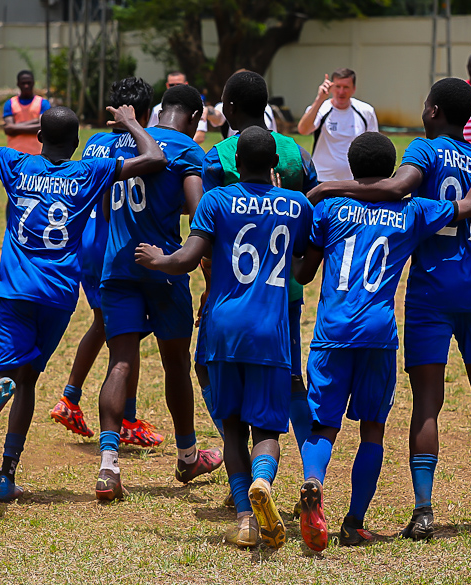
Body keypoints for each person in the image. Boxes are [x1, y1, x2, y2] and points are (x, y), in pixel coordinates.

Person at [308, 77, 471, 540]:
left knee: (428, 400)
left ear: (433, 111)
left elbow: (396, 189)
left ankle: (424, 509)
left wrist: (327, 189)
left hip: (430, 292)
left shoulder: (424, 151)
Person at [0, 87, 166, 503]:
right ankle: (6, 475)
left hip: (17, 290)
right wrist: (131, 122)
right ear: (76, 144)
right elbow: (154, 159)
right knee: (29, 381)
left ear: (38, 135)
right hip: (58, 297)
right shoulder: (88, 172)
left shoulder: (16, 163)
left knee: (4, 373)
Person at [292, 132, 471, 552]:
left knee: (323, 425)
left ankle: (313, 482)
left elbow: (303, 273)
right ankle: (354, 522)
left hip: (332, 332)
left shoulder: (329, 207)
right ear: (392, 172)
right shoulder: (413, 211)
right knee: (372, 430)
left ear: (351, 169)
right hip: (379, 335)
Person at [136, 126, 313, 549]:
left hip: (222, 329)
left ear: (235, 164)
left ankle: (245, 518)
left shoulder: (215, 200)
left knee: (232, 427)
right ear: (275, 166)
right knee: (267, 426)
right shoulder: (297, 204)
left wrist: (158, 260)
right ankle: (264, 482)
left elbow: (187, 258)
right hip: (272, 333)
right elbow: (304, 269)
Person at [94, 81, 224, 501]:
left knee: (120, 362)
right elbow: (198, 209)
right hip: (165, 268)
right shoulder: (187, 150)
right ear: (194, 118)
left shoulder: (99, 144)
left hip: (115, 264)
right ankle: (188, 455)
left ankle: (109, 466)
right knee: (175, 363)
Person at [201, 70, 319, 486]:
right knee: (289, 381)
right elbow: (315, 216)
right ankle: (311, 473)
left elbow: (206, 235)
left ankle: (240, 471)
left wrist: (208, 288)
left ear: (229, 108)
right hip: (284, 292)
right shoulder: (296, 154)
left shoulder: (219, 156)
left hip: (230, 295)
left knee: (213, 376)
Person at [49, 78, 163, 447]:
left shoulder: (95, 143)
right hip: (120, 247)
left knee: (104, 325)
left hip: (90, 243)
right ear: (144, 112)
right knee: (125, 335)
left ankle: (73, 398)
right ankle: (121, 417)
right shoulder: (150, 142)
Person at [296, 69, 379, 183]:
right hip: (322, 179)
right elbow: (303, 130)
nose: (341, 92)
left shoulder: (366, 111)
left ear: (354, 89)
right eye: (338, 86)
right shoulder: (320, 108)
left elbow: (374, 145)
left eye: (346, 87)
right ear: (331, 88)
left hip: (354, 180)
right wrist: (319, 99)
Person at [147, 72, 208, 144]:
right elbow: (151, 133)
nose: (175, 87)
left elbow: (200, 137)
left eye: (179, 84)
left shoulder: (196, 108)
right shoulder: (157, 109)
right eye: (171, 85)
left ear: (186, 84)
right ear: (167, 85)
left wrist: (175, 146)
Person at [2, 70, 51, 156]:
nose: (26, 86)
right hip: (14, 154)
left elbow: (44, 128)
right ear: (18, 84)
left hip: (37, 154)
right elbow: (9, 130)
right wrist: (35, 122)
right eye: (23, 83)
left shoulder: (43, 103)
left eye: (29, 83)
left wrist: (15, 127)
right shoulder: (10, 103)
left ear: (33, 83)